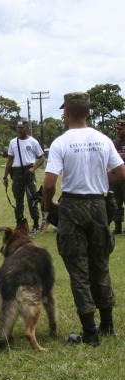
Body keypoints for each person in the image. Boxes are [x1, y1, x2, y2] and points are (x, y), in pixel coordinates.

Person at [43, 92, 125, 346]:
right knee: (100, 264)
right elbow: (121, 173)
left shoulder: (61, 142)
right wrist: (99, 179)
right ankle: (107, 324)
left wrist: (49, 205)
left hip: (72, 207)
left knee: (78, 270)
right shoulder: (102, 140)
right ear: (88, 112)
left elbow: (49, 183)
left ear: (66, 112)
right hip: (99, 206)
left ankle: (90, 332)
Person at [2, 120, 46, 232]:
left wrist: (34, 168)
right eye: (18, 127)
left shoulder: (33, 142)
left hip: (29, 171)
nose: (20, 129)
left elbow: (42, 158)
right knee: (18, 200)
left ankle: (36, 224)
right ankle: (19, 223)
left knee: (32, 199)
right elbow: (10, 160)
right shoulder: (13, 142)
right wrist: (5, 176)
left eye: (22, 127)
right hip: (17, 173)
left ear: (27, 128)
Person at [110, 119, 125, 234]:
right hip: (115, 178)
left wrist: (116, 155)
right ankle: (118, 227)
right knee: (116, 202)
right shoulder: (113, 143)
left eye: (121, 129)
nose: (118, 131)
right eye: (117, 128)